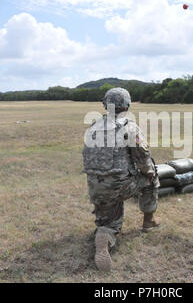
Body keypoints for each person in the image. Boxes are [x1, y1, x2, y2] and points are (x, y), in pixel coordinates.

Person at [82, 87, 161, 272]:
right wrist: (150, 173)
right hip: (119, 185)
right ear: (127, 104)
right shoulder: (129, 127)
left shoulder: (93, 126)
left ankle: (104, 236)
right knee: (152, 178)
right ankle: (149, 221)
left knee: (109, 223)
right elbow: (143, 160)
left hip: (95, 187)